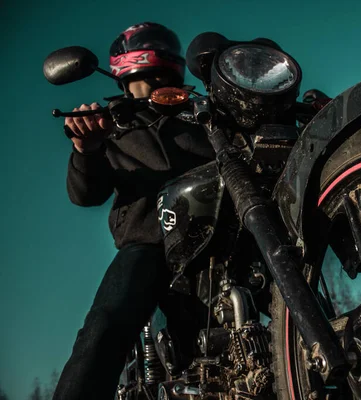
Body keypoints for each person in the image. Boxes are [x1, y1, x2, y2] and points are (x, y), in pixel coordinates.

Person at [53, 22, 212, 400]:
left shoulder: (205, 117)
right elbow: (86, 194)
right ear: (126, 76)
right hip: (151, 243)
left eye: (162, 80)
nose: (158, 91)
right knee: (106, 322)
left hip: (218, 244)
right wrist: (87, 149)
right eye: (149, 82)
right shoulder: (113, 124)